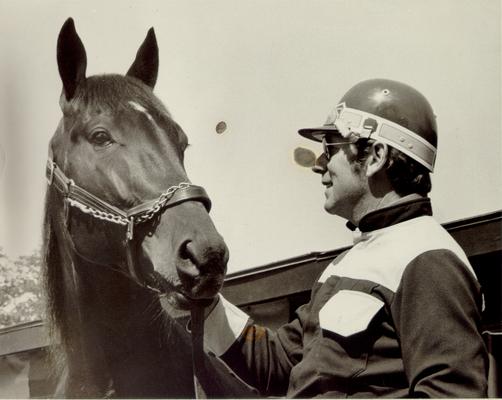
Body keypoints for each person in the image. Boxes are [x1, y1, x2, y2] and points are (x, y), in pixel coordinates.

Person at [201, 79, 488, 397]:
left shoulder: (428, 258)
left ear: (376, 156)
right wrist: (203, 302)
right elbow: (280, 362)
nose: (319, 164)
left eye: (330, 147)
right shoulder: (349, 263)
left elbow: (451, 393)